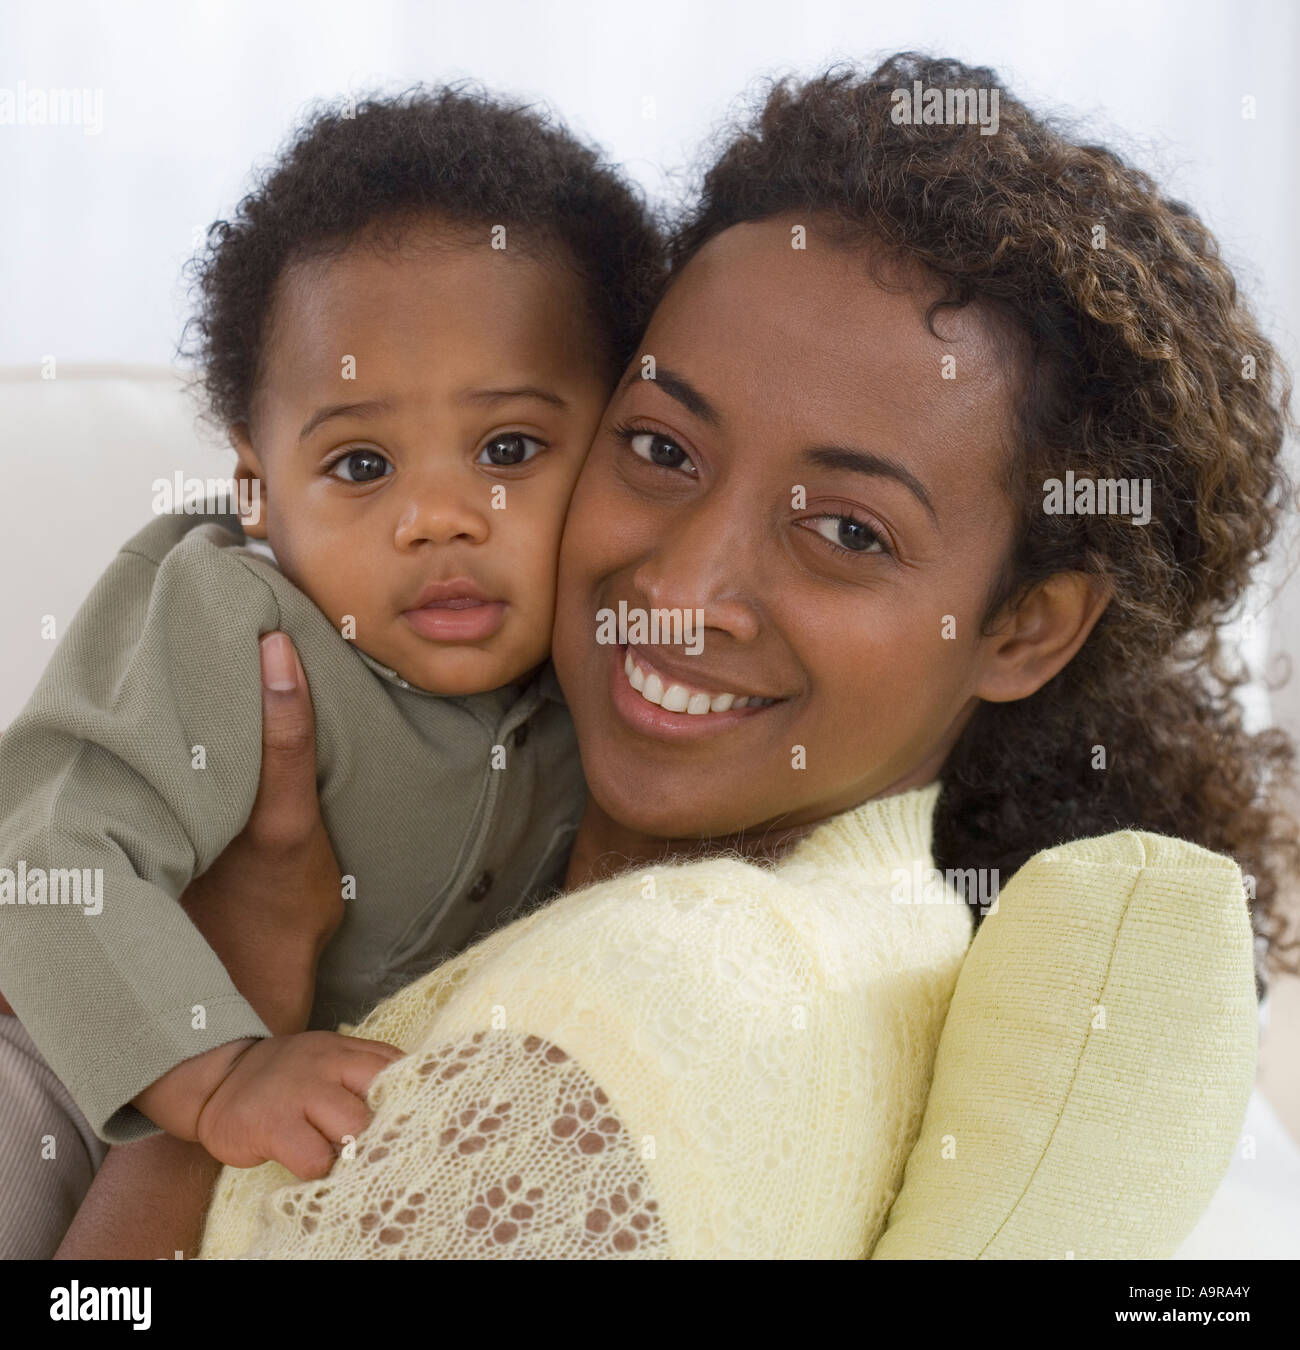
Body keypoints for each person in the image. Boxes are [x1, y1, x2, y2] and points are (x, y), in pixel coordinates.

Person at [61, 52, 1299, 1259]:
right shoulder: (549, 815)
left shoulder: (643, 1013)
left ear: (1023, 628)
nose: (678, 591)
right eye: (660, 448)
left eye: (848, 531)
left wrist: (237, 1011)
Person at [0, 85, 663, 1256]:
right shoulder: (236, 619)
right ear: (257, 488)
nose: (436, 517)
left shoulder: (611, 680)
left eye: (508, 448)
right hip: (51, 1074)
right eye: (360, 462)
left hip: (291, 1151)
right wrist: (219, 1069)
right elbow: (47, 858)